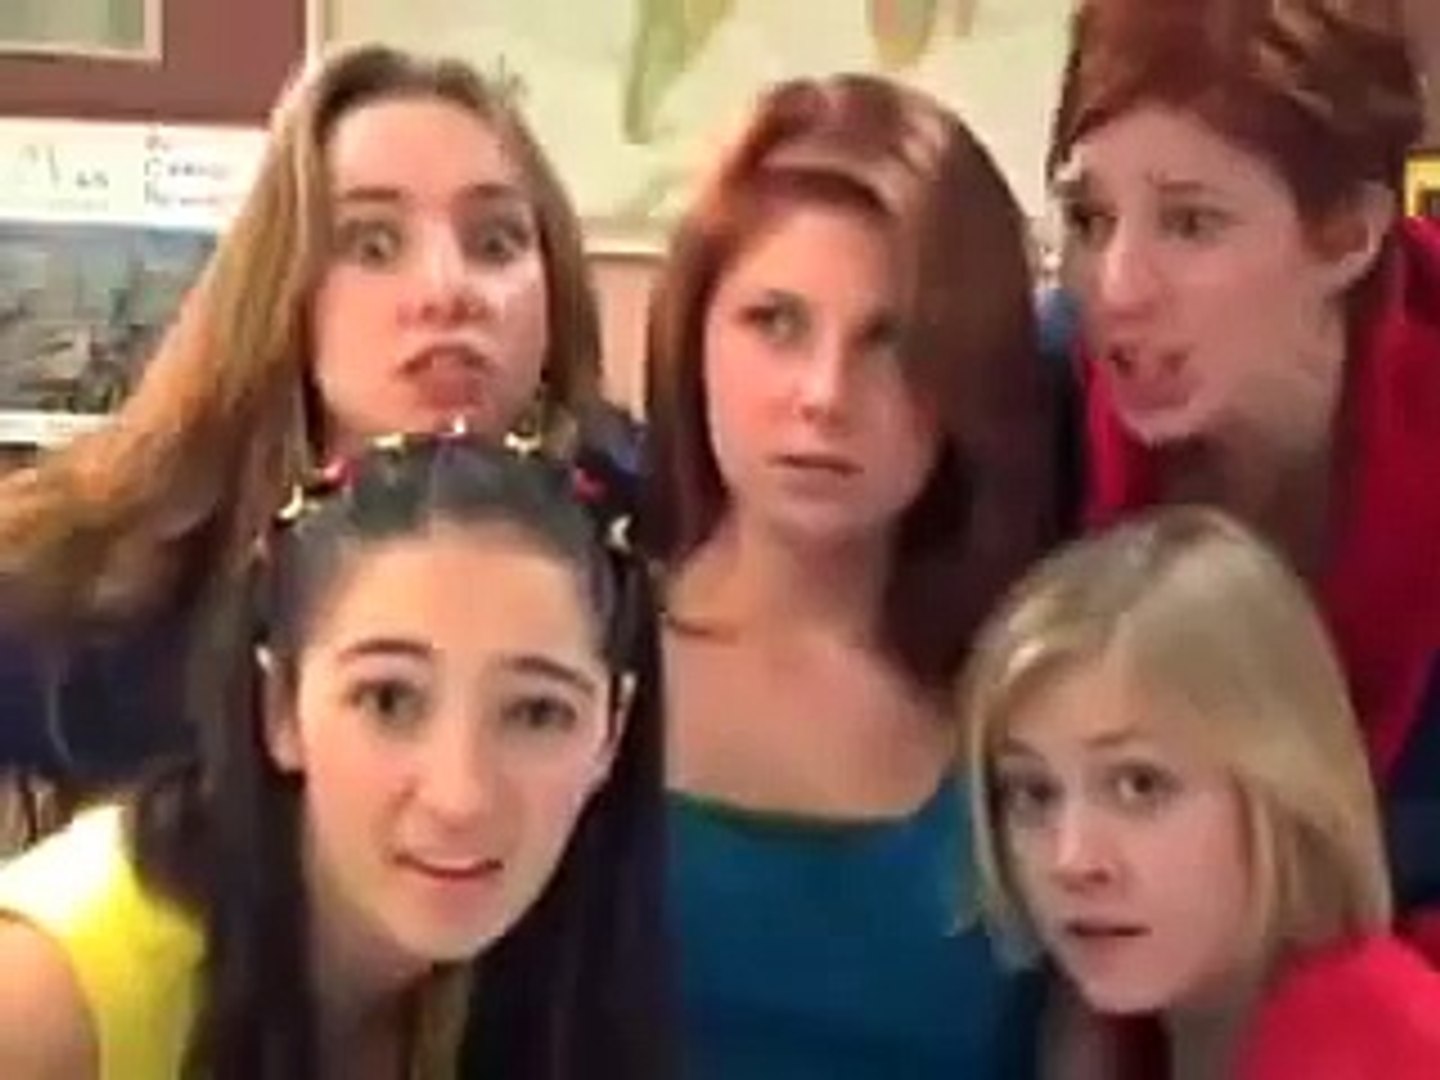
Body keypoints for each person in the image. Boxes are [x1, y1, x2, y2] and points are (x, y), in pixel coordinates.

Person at [0, 43, 633, 806]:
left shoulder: (634, 537)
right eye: (372, 244)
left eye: (495, 243)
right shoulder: (103, 577)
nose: (448, 291)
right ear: (284, 288)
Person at [0, 430, 669, 1079]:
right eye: (388, 700)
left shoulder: (547, 975)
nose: (459, 796)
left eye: (537, 713)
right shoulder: (43, 1001)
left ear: (611, 732)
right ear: (280, 706)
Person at [644, 72, 1064, 1077]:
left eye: (891, 341)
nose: (824, 395)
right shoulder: (574, 660)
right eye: (775, 323)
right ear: (694, 335)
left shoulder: (1034, 707)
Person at [1045, 0, 1440, 953]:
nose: (1117, 287)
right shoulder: (1034, 402)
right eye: (1090, 218)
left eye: (1191, 223)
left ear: (1348, 234)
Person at [962, 507, 1440, 1078]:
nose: (1072, 860)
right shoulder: (1122, 1034)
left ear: (1285, 789)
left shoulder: (1383, 1052)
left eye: (1140, 785)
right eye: (1034, 793)